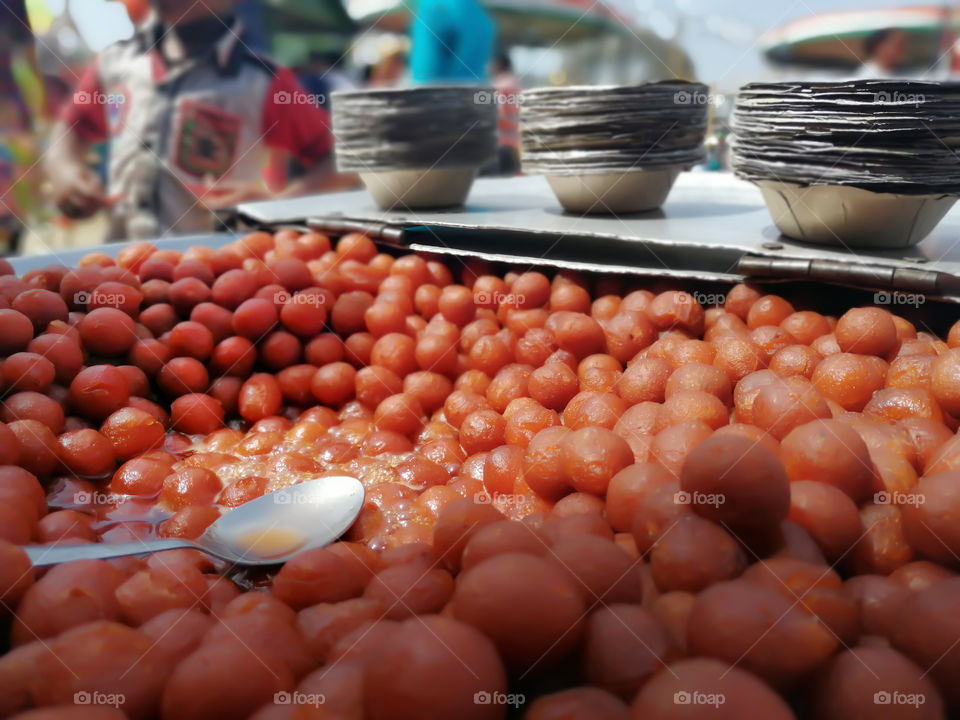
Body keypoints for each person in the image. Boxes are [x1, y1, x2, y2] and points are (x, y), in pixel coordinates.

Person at [46, 0, 351, 241]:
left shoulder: (263, 82)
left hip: (210, 274)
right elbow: (71, 128)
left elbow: (338, 158)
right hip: (118, 262)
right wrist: (65, 170)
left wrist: (279, 203)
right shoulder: (115, 63)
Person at [410, 0, 495, 84]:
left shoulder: (433, 7)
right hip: (473, 93)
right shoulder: (480, 15)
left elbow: (425, 73)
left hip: (436, 93)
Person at [480, 52, 520, 176]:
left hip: (498, 146)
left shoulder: (499, 85)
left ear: (499, 66)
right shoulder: (516, 85)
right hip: (513, 144)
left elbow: (498, 112)